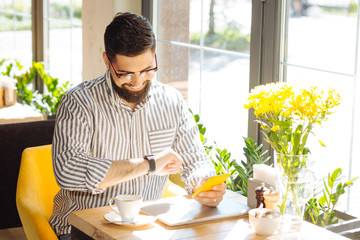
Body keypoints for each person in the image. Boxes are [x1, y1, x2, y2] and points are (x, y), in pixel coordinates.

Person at [49, 12, 227, 239]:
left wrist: (203, 184)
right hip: (82, 229)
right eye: (125, 73)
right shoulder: (79, 103)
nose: (137, 81)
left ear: (155, 56)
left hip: (148, 229)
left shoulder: (171, 101)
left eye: (147, 70)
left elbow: (197, 160)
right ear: (107, 61)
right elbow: (68, 172)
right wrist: (149, 164)